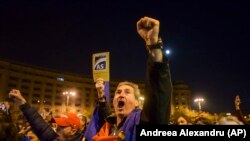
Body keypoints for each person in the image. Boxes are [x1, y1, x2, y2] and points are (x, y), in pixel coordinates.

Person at [85, 16, 173, 141]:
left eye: (127, 92)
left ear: (137, 102)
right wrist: (101, 95)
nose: (121, 95)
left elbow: (157, 100)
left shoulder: (139, 123)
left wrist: (154, 47)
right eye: (118, 92)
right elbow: (105, 113)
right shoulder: (108, 126)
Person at [9, 89, 85, 141]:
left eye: (62, 126)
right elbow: (38, 122)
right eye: (58, 123)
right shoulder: (54, 138)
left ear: (73, 131)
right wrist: (22, 102)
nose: (58, 127)